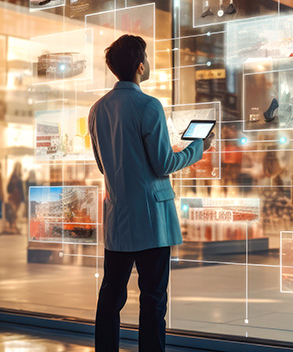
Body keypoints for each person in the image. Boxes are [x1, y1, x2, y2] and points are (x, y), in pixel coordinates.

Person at [88, 35, 213, 352]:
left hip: (118, 219)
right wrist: (198, 147)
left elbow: (103, 166)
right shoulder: (149, 106)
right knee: (154, 300)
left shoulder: (97, 110)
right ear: (140, 66)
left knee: (110, 297)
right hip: (152, 222)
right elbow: (164, 164)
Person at [6, 162, 24, 234]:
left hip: (18, 196)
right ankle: (13, 226)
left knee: (15, 212)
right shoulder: (14, 176)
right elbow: (10, 187)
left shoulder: (18, 176)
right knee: (13, 211)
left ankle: (14, 226)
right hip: (14, 196)